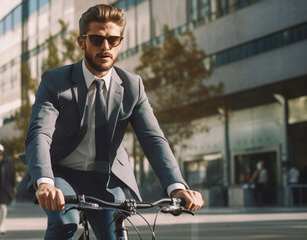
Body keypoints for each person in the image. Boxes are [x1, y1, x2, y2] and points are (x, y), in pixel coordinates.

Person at [19, 4, 203, 239]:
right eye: (96, 39)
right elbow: (39, 134)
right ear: (81, 42)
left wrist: (177, 186)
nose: (105, 47)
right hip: (61, 174)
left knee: (117, 233)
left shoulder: (132, 85)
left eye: (113, 40)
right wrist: (44, 182)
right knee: (65, 224)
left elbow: (153, 139)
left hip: (106, 178)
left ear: (120, 42)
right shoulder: (55, 81)